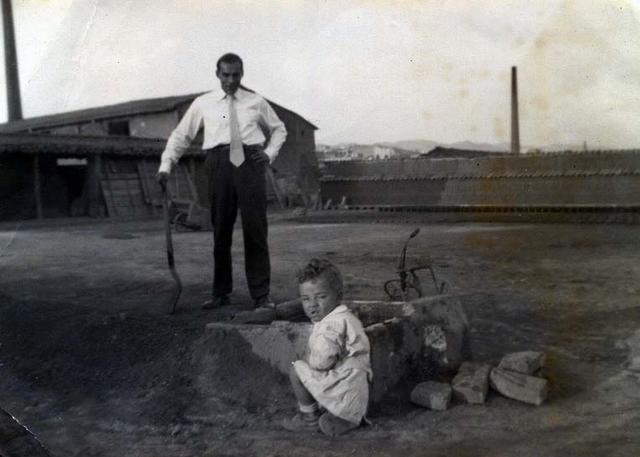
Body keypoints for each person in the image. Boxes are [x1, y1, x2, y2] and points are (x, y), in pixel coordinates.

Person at [156, 53, 287, 310]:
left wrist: (269, 153)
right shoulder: (203, 103)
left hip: (250, 163)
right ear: (217, 74)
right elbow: (181, 135)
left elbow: (280, 129)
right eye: (226, 75)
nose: (231, 80)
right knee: (221, 231)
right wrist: (165, 166)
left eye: (236, 75)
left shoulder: (255, 101)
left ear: (242, 74)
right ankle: (220, 293)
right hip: (218, 165)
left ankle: (261, 295)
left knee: (255, 230)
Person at [283, 258, 372, 437]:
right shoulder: (345, 317)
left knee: (297, 369)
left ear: (338, 295)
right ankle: (345, 418)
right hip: (356, 387)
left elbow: (321, 362)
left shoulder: (331, 326)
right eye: (306, 299)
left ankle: (309, 418)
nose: (313, 305)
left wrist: (309, 360)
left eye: (321, 297)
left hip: (343, 382)